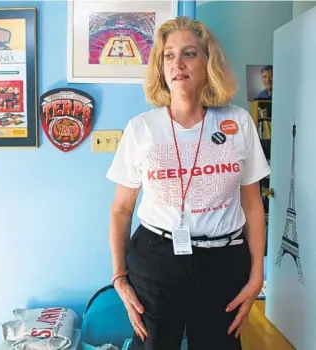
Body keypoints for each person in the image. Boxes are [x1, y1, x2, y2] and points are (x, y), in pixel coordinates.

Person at [106, 16, 270, 350]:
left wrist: (257, 276)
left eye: (189, 54)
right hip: (156, 260)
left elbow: (252, 204)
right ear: (160, 65)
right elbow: (122, 209)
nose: (177, 64)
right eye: (168, 55)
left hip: (224, 261)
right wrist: (119, 277)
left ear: (208, 61)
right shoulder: (141, 128)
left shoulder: (237, 121)